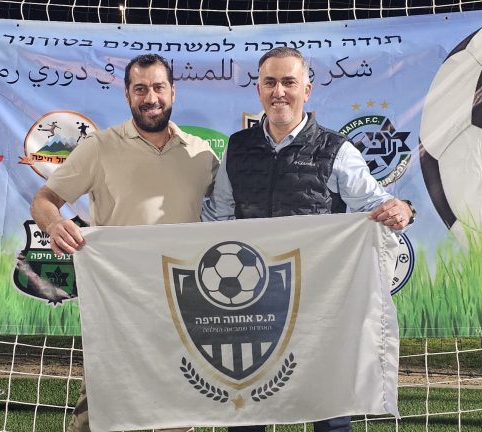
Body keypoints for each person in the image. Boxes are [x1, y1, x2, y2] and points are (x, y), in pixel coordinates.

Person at [202, 47, 415, 432]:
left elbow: (375, 202)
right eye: (270, 82)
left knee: (329, 410)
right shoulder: (238, 147)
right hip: (249, 300)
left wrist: (402, 208)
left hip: (318, 301)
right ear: (258, 90)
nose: (279, 92)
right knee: (245, 409)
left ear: (307, 90)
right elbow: (218, 217)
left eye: (289, 82)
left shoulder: (336, 149)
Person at [30, 53, 218, 432]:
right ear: (128, 95)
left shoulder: (202, 154)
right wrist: (54, 224)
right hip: (116, 304)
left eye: (158, 88)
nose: (151, 98)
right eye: (140, 89)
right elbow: (44, 201)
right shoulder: (99, 147)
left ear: (173, 92)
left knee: (176, 413)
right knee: (100, 415)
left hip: (182, 306)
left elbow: (231, 217)